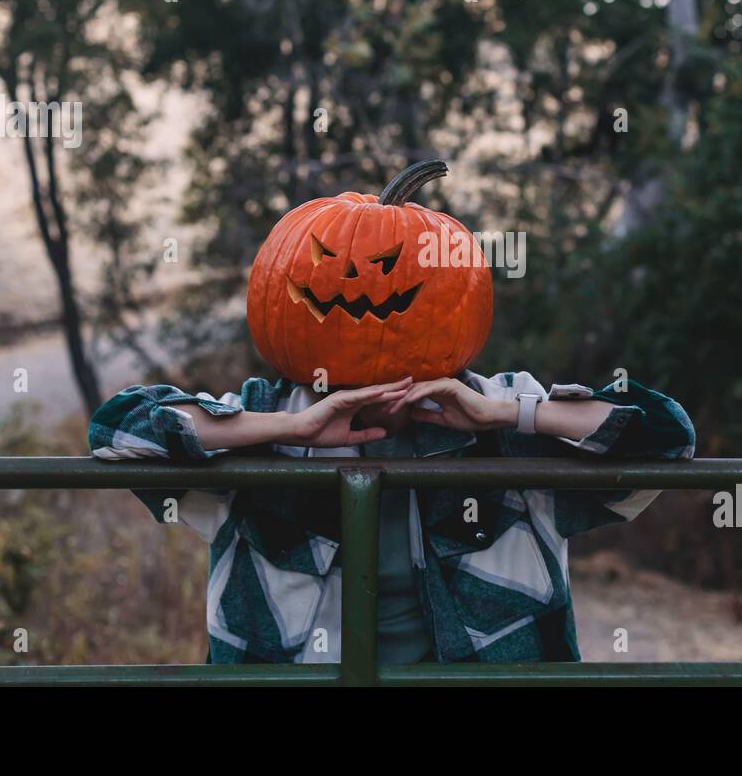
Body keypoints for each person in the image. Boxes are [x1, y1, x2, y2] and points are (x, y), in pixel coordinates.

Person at [88, 162, 695, 665]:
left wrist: (509, 415)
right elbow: (118, 433)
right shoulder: (264, 419)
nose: (359, 280)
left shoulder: (504, 421)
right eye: (328, 259)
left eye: (396, 271)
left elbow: (666, 438)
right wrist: (290, 429)